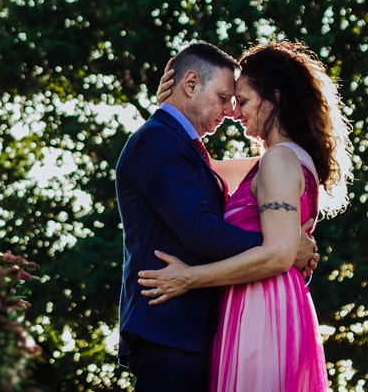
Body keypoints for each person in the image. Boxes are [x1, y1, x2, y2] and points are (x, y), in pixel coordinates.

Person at [139, 41, 353, 392]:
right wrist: (169, 109)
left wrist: (189, 278)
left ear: (276, 97)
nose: (234, 112)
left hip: (262, 306)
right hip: (263, 301)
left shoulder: (278, 161)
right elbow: (190, 166)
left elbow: (277, 254)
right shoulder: (278, 161)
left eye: (243, 101)